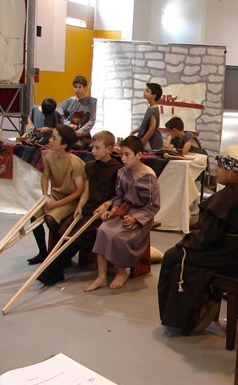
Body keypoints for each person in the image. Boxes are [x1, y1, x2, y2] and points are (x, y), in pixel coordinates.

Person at [157, 145, 238, 334]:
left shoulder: (227, 196)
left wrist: (185, 243)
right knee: (182, 262)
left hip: (227, 256)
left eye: (220, 166)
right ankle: (200, 307)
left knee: (172, 257)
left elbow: (206, 238)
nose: (216, 170)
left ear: (233, 170)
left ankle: (182, 315)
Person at [37, 131, 122, 285]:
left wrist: (107, 204)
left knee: (77, 237)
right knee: (65, 230)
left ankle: (49, 273)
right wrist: (80, 205)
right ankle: (54, 270)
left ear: (109, 149)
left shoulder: (117, 169)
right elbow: (86, 191)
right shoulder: (90, 166)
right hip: (88, 208)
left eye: (97, 148)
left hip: (100, 213)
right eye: (92, 147)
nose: (93, 151)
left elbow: (118, 195)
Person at [84, 136, 160, 291]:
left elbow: (153, 206)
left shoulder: (149, 177)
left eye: (127, 155)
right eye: (122, 154)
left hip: (140, 216)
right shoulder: (122, 173)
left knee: (119, 235)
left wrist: (136, 218)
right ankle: (101, 276)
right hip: (124, 211)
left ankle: (121, 272)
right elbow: (119, 197)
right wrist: (112, 210)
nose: (123, 158)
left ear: (139, 155)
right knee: (103, 230)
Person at [28, 124, 85, 264]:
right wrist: (45, 196)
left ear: (64, 144)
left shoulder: (75, 163)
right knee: (34, 216)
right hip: (54, 196)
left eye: (54, 138)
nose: (50, 140)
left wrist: (56, 204)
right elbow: (45, 177)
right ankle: (43, 252)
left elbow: (79, 191)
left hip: (70, 200)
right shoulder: (48, 156)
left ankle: (60, 254)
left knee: (50, 219)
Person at [130, 83, 164, 151]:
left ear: (154, 95)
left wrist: (142, 143)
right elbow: (145, 126)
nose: (144, 92)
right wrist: (133, 132)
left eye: (147, 91)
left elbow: (151, 129)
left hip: (152, 142)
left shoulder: (154, 109)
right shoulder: (150, 108)